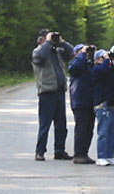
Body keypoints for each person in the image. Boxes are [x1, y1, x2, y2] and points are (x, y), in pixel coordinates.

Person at [32, 29, 74, 161]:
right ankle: (40, 151)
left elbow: (71, 53)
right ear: (42, 40)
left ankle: (59, 151)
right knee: (45, 124)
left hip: (59, 91)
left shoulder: (57, 52)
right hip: (47, 92)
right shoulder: (38, 51)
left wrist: (62, 42)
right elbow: (39, 59)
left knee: (61, 125)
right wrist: (47, 43)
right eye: (49, 38)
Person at [92, 49, 114, 166]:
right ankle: (101, 156)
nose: (106, 60)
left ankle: (110, 155)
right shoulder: (96, 70)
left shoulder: (111, 69)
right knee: (103, 132)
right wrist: (106, 60)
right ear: (97, 60)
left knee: (113, 131)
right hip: (102, 104)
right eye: (102, 58)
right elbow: (103, 71)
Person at [67, 44, 96, 164]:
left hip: (90, 100)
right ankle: (78, 154)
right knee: (82, 128)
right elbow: (75, 67)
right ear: (76, 54)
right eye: (80, 51)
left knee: (89, 128)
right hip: (79, 100)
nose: (84, 53)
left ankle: (84, 153)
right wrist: (82, 54)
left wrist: (92, 54)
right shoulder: (74, 64)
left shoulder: (89, 65)